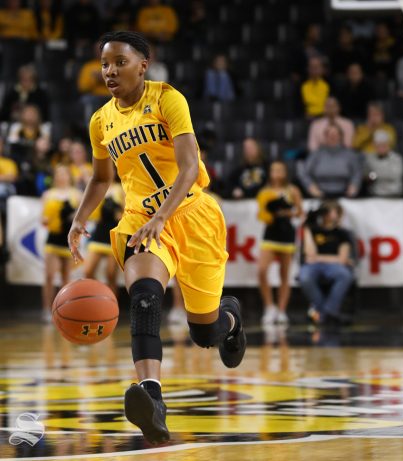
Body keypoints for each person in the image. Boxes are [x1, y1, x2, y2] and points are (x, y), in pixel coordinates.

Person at [67, 31, 247, 444]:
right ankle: (152, 396)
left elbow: (188, 168)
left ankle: (232, 318)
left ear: (143, 65)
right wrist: (79, 220)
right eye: (105, 64)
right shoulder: (100, 120)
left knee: (205, 331)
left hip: (191, 214)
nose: (110, 71)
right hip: (140, 221)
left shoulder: (168, 99)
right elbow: (100, 177)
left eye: (119, 62)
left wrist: (163, 217)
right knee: (145, 297)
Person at [257, 161, 303, 327]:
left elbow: (300, 212)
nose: (276, 173)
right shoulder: (265, 192)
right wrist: (267, 213)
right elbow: (261, 213)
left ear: (285, 172)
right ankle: (269, 307)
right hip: (270, 232)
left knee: (285, 273)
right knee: (262, 270)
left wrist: (286, 211)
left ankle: (282, 311)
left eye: (279, 170)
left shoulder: (292, 190)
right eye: (273, 170)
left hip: (286, 233)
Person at [299, 201, 354, 327]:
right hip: (313, 266)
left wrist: (318, 257)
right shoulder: (313, 230)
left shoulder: (342, 233)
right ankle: (328, 314)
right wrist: (306, 228)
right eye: (327, 211)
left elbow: (342, 259)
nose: (329, 215)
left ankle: (326, 312)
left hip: (334, 266)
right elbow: (309, 253)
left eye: (332, 211)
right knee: (305, 277)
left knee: (344, 275)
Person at [42, 164, 81, 323]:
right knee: (49, 276)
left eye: (64, 173)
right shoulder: (48, 194)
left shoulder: (76, 194)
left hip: (68, 239)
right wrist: (50, 218)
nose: (61, 176)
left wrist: (70, 215)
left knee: (66, 277)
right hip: (53, 238)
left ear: (69, 176)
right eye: (58, 173)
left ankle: (62, 310)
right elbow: (42, 219)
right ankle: (46, 309)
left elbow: (80, 217)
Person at [299, 124, 362, 198]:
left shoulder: (350, 154)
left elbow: (357, 172)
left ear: (341, 136)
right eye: (330, 134)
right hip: (319, 195)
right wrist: (310, 186)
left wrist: (354, 186)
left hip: (345, 195)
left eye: (335, 134)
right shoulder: (316, 154)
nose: (332, 137)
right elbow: (304, 172)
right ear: (325, 136)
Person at [83, 181, 124, 296]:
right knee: (88, 271)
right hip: (99, 232)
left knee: (111, 274)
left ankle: (112, 307)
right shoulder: (97, 187)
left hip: (114, 233)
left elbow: (127, 211)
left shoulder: (120, 188)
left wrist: (119, 214)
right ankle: (100, 295)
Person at [364, 130, 403, 197]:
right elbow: (366, 174)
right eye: (378, 145)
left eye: (384, 145)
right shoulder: (370, 158)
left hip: (393, 193)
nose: (381, 148)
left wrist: (375, 175)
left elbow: (394, 175)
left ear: (388, 145)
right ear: (374, 145)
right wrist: (373, 175)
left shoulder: (397, 158)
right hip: (375, 192)